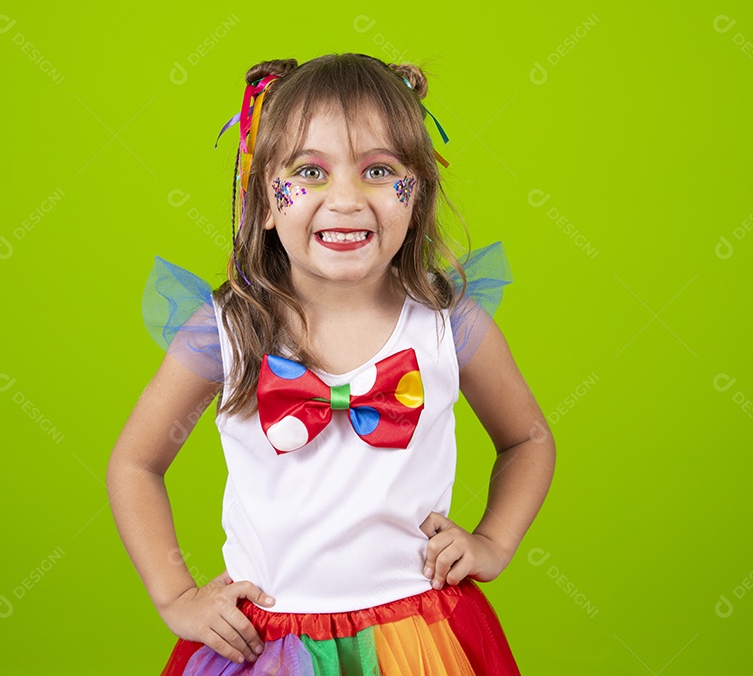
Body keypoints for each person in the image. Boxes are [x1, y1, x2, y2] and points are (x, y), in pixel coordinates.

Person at [108, 52, 556, 675]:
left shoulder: (448, 323)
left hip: (420, 638)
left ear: (417, 193)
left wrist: (493, 542)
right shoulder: (227, 329)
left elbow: (528, 438)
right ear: (265, 198)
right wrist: (176, 596)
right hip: (268, 647)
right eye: (310, 171)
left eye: (378, 169)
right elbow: (135, 461)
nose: (345, 199)